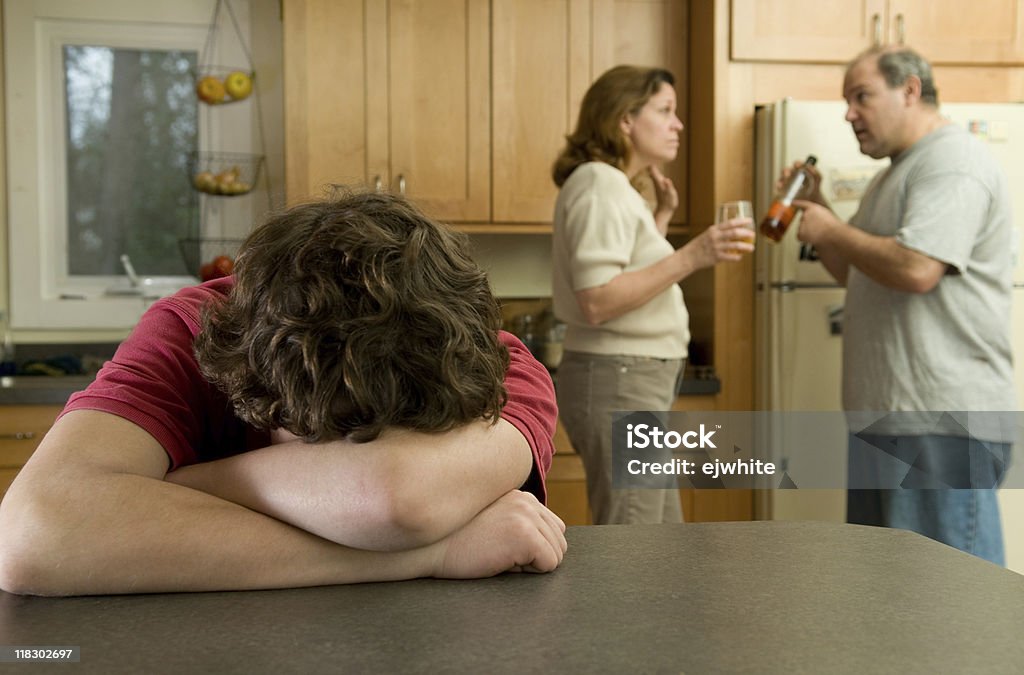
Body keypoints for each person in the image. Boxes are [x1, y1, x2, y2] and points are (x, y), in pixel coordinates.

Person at [0, 190, 567, 596]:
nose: (346, 469)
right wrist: (429, 554)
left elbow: (396, 498)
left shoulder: (497, 363)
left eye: (393, 438)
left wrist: (188, 486)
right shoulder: (194, 331)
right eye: (328, 443)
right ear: (252, 377)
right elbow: (30, 537)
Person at [789, 46, 1016, 564]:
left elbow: (916, 269)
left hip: (939, 423)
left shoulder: (952, 161)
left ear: (910, 90)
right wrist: (824, 217)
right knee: (892, 599)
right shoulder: (894, 173)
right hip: (893, 419)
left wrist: (833, 228)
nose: (848, 113)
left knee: (947, 599)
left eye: (861, 96)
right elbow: (860, 275)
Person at [550, 65, 754, 525]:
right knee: (636, 542)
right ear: (625, 119)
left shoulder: (611, 187)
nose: (677, 124)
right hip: (620, 377)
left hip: (628, 377)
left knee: (659, 536)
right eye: (665, 111)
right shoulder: (600, 183)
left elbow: (626, 275)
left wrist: (659, 220)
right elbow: (597, 299)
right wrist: (693, 254)